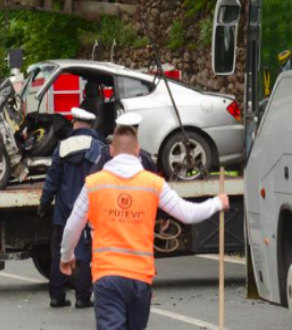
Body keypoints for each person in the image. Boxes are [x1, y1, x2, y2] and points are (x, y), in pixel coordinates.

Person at [60, 126, 229, 330]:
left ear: (111, 151)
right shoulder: (152, 183)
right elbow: (188, 213)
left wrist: (66, 255)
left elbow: (72, 226)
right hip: (140, 278)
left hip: (107, 275)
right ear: (138, 150)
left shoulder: (94, 184)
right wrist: (217, 203)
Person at [38, 107, 105, 309]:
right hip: (87, 207)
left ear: (75, 123)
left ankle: (56, 296)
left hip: (64, 208)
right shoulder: (99, 148)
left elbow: (52, 178)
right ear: (90, 125)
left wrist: (44, 202)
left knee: (60, 251)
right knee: (84, 253)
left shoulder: (63, 147)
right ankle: (83, 297)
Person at [90, 113, 156, 174]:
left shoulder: (106, 153)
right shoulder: (146, 157)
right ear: (137, 131)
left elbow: (93, 176)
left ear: (118, 130)